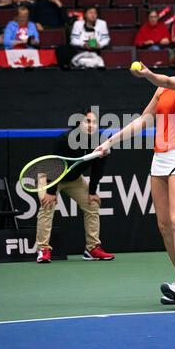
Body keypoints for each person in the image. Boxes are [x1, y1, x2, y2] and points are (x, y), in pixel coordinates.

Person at [95, 43, 175, 309]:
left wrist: (147, 73)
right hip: (161, 156)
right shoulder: (162, 90)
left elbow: (168, 79)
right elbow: (144, 120)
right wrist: (109, 142)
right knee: (163, 225)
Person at [36, 108, 115, 263]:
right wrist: (51, 191)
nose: (91, 125)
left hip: (74, 179)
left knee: (92, 205)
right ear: (79, 123)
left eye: (94, 122)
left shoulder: (100, 142)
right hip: (50, 177)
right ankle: (43, 249)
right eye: (87, 121)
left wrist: (92, 191)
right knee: (47, 206)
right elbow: (55, 165)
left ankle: (92, 249)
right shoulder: (65, 139)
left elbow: (98, 169)